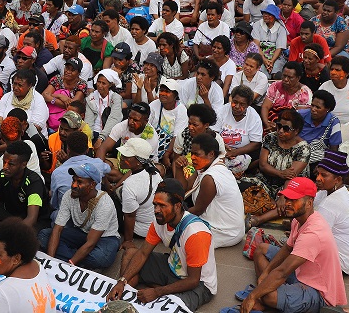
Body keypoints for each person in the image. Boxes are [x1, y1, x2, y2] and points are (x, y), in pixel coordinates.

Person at [231, 177, 347, 313]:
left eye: (294, 200)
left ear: (309, 203)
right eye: (287, 199)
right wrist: (266, 273)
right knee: (261, 249)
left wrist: (253, 296)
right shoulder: (298, 220)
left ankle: (270, 300)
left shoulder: (314, 233)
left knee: (267, 295)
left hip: (319, 291)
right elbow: (287, 248)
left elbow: (282, 272)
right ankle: (277, 295)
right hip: (301, 273)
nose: (287, 203)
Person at [107, 178, 217, 310]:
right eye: (155, 205)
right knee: (130, 254)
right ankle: (123, 297)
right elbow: (142, 253)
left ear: (177, 206)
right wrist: (122, 281)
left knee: (170, 308)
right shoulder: (159, 220)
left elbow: (193, 280)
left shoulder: (196, 233)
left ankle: (156, 289)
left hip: (199, 284)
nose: (156, 210)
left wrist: (157, 292)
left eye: (162, 205)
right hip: (173, 268)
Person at [39, 162, 120, 269]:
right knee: (44, 235)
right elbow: (57, 229)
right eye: (73, 180)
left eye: (79, 182)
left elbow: (91, 242)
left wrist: (70, 265)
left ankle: (73, 258)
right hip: (82, 234)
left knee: (99, 258)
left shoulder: (104, 203)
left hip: (105, 238)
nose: (74, 185)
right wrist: (50, 261)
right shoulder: (69, 195)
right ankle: (80, 259)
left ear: (92, 185)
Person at [0, 141, 47, 254]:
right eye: (4, 162)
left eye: (11, 164)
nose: (5, 167)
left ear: (23, 164)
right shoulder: (3, 175)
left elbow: (31, 218)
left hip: (32, 221)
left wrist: (7, 237)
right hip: (10, 214)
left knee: (24, 243)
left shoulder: (34, 182)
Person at [173, 132, 246, 248]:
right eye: (191, 153)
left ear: (211, 154)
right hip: (231, 229)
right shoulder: (205, 167)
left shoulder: (210, 177)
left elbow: (197, 210)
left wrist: (173, 217)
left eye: (196, 154)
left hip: (225, 232)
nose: (192, 157)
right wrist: (178, 168)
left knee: (172, 231)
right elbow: (183, 188)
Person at [313, 150, 349, 275]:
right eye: (318, 174)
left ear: (338, 179)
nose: (318, 179)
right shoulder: (329, 191)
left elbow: (314, 237)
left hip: (344, 264)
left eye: (323, 175)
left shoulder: (332, 202)